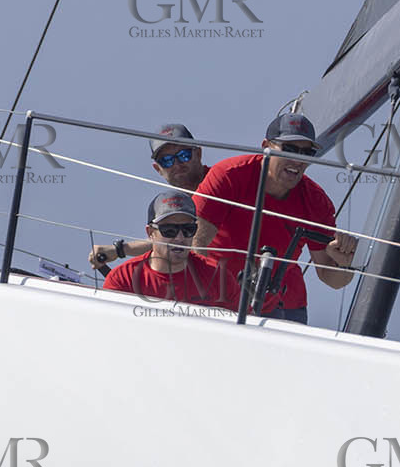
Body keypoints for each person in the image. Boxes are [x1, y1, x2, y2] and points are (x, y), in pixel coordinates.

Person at [191, 112, 357, 324]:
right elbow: (194, 243)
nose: (297, 160)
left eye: (306, 153)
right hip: (212, 296)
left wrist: (345, 264)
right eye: (289, 149)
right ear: (266, 147)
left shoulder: (316, 202)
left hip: (269, 306)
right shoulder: (228, 175)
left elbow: (332, 279)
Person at [90, 122, 208, 269]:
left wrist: (121, 250)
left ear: (198, 154)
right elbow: (173, 241)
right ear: (158, 169)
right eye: (167, 160)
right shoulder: (181, 204)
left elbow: (193, 241)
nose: (177, 164)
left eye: (184, 155)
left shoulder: (219, 181)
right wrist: (120, 250)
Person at [102, 191, 237, 309]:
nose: (179, 238)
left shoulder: (218, 276)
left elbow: (247, 328)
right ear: (150, 233)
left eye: (188, 230)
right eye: (169, 230)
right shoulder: (122, 279)